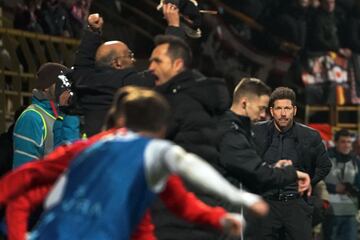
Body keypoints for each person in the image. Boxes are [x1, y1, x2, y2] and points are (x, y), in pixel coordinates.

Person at [12, 86, 267, 240]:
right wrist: (239, 199)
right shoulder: (148, 150)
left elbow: (25, 190)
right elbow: (186, 166)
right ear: (160, 127)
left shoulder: (88, 150)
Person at [148, 34, 231, 239]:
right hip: (205, 211)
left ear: (177, 65)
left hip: (176, 216)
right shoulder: (206, 101)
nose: (150, 67)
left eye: (157, 61)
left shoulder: (175, 102)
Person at [217, 78, 311, 239]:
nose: (263, 115)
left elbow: (249, 171)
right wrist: (292, 174)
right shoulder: (229, 132)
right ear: (245, 103)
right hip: (229, 216)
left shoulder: (242, 130)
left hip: (239, 214)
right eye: (261, 109)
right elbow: (256, 173)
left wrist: (274, 168)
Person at [71, 7, 184, 137]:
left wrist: (93, 31)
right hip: (121, 149)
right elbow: (166, 64)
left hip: (95, 148)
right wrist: (174, 26)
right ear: (117, 63)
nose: (133, 59)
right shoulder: (127, 82)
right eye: (129, 55)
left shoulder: (83, 80)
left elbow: (83, 60)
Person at [252, 86, 332, 240]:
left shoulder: (311, 135)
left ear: (294, 110)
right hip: (266, 205)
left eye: (287, 108)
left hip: (297, 206)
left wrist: (309, 182)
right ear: (272, 111)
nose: (283, 113)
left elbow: (324, 166)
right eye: (279, 108)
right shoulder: (255, 132)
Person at [13, 62, 79, 168]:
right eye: (61, 83)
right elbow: (24, 168)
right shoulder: (32, 117)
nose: (66, 88)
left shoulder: (65, 114)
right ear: (45, 87)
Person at [323, 129, 360, 240]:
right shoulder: (325, 159)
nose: (346, 145)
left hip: (350, 211)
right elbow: (317, 182)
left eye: (349, 142)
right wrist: (334, 188)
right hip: (331, 211)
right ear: (336, 143)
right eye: (343, 142)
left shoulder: (356, 161)